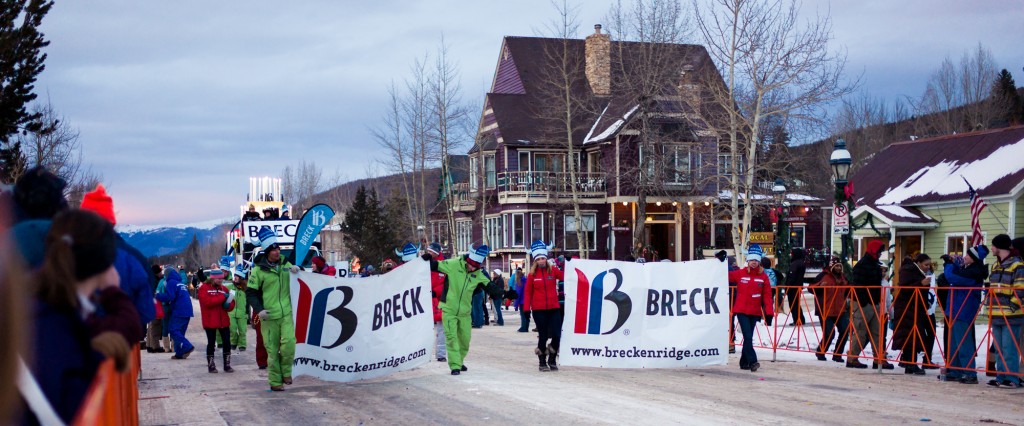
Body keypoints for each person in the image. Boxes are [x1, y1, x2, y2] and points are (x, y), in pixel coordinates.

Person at [23, 209, 139, 424]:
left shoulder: (38, 300)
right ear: (105, 262)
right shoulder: (57, 324)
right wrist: (112, 289)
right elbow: (130, 326)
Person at [80, 184, 155, 337]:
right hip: (123, 344)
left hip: (78, 347)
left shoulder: (63, 255)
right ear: (111, 222)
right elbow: (147, 311)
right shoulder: (134, 258)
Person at [424, 244, 492, 375]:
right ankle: (455, 365)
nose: (472, 268)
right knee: (451, 337)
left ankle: (459, 361)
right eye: (470, 264)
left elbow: (491, 287)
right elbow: (435, 266)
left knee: (465, 340)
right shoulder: (454, 264)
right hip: (448, 309)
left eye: (475, 266)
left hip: (465, 312)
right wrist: (426, 259)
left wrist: (505, 294)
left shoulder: (478, 273)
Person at [247, 226, 300, 391]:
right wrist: (259, 309)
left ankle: (286, 372)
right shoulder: (258, 271)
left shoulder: (285, 263)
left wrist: (298, 270)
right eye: (273, 249)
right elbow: (251, 293)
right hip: (268, 316)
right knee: (272, 350)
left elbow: (300, 278)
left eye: (277, 248)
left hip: (286, 313)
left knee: (289, 344)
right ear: (267, 252)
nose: (277, 251)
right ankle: (276, 382)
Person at [941, 245, 989, 384]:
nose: (964, 257)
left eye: (968, 255)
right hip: (956, 308)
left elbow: (952, 277)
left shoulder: (974, 272)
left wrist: (949, 264)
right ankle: (955, 370)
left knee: (963, 342)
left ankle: (969, 372)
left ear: (974, 259)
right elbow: (956, 273)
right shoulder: (968, 269)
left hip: (964, 309)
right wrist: (951, 262)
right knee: (954, 342)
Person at [847, 240, 894, 369]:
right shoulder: (862, 265)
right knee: (861, 332)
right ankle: (852, 358)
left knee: (877, 333)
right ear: (873, 250)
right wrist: (863, 302)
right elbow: (857, 285)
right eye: (879, 251)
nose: (880, 254)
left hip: (875, 301)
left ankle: (879, 359)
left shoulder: (874, 264)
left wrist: (877, 301)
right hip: (864, 303)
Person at [728, 244, 774, 372]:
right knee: (748, 337)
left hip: (754, 312)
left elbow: (767, 296)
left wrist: (769, 313)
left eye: (756, 260)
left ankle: (743, 362)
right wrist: (721, 262)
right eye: (751, 260)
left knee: (748, 337)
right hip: (741, 310)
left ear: (759, 261)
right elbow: (724, 275)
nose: (754, 262)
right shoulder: (740, 273)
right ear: (748, 260)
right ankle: (753, 361)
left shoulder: (763, 276)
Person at [986, 234, 1024, 388]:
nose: (992, 248)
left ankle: (1012, 378)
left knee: (1009, 348)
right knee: (999, 348)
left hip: (1011, 314)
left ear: (1000, 247)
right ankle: (1000, 376)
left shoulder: (1018, 265)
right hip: (996, 313)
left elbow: (1021, 289)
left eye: (993, 245)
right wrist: (989, 305)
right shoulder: (995, 266)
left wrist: (1012, 306)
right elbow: (992, 288)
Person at [523, 241, 564, 371]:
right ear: (535, 261)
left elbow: (565, 276)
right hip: (539, 309)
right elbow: (528, 292)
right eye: (538, 259)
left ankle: (552, 359)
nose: (541, 261)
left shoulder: (553, 271)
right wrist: (526, 310)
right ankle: (542, 361)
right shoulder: (532, 275)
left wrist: (567, 263)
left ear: (546, 259)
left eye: (543, 258)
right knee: (543, 336)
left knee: (557, 335)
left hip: (553, 307)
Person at [892, 253, 933, 375]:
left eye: (929, 265)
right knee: (910, 336)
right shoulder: (908, 270)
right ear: (919, 263)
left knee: (912, 336)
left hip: (914, 307)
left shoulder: (914, 270)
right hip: (907, 307)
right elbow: (905, 288)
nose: (928, 267)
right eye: (926, 264)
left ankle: (910, 363)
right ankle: (910, 364)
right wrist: (921, 284)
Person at [812, 257, 850, 363]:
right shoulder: (823, 276)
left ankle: (837, 354)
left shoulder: (843, 278)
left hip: (840, 309)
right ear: (831, 266)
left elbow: (849, 290)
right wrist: (819, 286)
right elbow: (811, 288)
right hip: (825, 309)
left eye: (839, 266)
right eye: (836, 266)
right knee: (829, 333)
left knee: (844, 330)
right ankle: (821, 352)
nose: (838, 268)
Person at [198, 268, 236, 373]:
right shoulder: (204, 288)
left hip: (223, 320)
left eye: (221, 278)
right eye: (218, 279)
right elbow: (207, 302)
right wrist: (222, 298)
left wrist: (229, 305)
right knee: (211, 343)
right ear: (213, 278)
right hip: (210, 320)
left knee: (227, 342)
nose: (220, 280)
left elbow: (231, 303)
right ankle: (211, 365)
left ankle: (227, 365)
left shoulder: (224, 289)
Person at [157, 268, 195, 360]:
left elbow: (170, 296)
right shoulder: (180, 283)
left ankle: (187, 346)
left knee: (173, 330)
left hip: (179, 310)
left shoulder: (171, 282)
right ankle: (179, 353)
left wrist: (158, 296)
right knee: (180, 332)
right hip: (188, 310)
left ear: (167, 274)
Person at [427, 243, 448, 362]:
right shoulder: (424, 263)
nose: (429, 253)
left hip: (440, 301)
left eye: (431, 252)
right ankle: (423, 354)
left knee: (441, 330)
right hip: (425, 300)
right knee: (424, 329)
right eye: (428, 251)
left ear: (436, 252)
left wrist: (435, 291)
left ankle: (441, 354)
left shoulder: (444, 265)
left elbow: (447, 283)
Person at [229, 265, 249, 352]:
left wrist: (247, 313)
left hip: (242, 313)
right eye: (235, 276)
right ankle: (233, 342)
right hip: (231, 313)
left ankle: (242, 345)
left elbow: (248, 302)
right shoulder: (230, 287)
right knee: (232, 329)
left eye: (237, 276)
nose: (235, 278)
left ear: (241, 278)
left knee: (242, 330)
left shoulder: (246, 289)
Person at [147, 265, 166, 353]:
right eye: (160, 272)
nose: (161, 273)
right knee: (155, 325)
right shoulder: (155, 281)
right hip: (154, 304)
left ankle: (150, 345)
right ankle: (155, 346)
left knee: (151, 325)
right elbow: (155, 293)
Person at [786, 248, 808, 326]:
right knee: (796, 303)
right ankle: (800, 319)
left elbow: (792, 276)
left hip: (793, 287)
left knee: (793, 304)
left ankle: (797, 319)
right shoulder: (801, 263)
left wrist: (787, 286)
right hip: (798, 285)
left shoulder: (795, 264)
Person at [513, 266, 529, 332]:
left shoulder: (519, 283)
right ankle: (526, 327)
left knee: (523, 315)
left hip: (522, 301)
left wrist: (515, 305)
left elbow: (518, 294)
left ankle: (523, 327)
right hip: (527, 300)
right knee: (527, 315)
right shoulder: (526, 280)